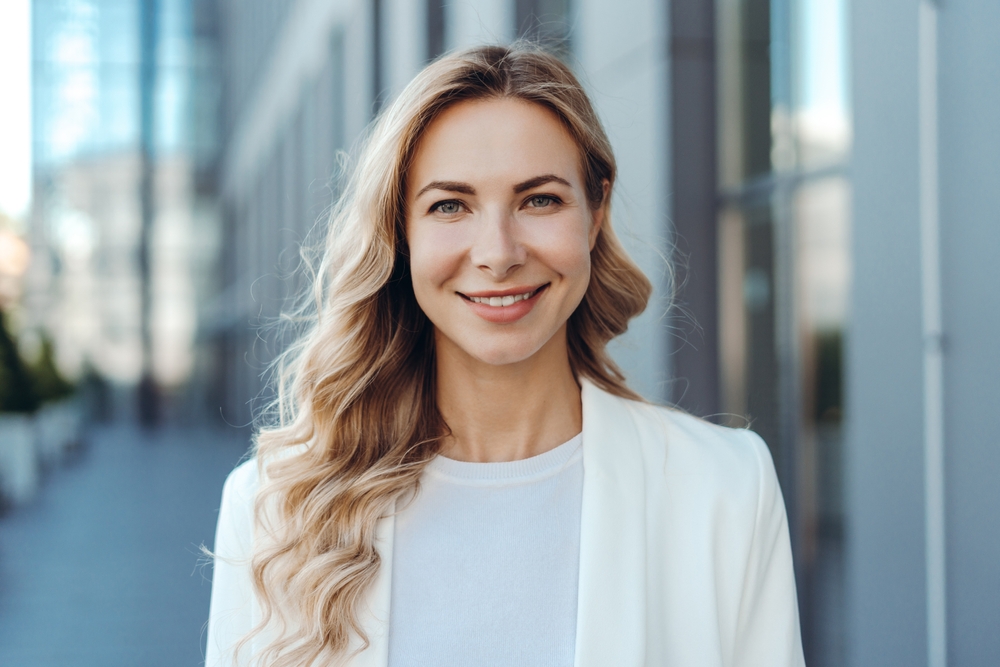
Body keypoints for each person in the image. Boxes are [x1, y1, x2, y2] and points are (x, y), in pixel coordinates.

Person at [206, 43, 805, 667]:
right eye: (450, 205)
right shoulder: (278, 507)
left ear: (596, 210)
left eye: (539, 199)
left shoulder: (725, 488)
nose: (497, 252)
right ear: (400, 233)